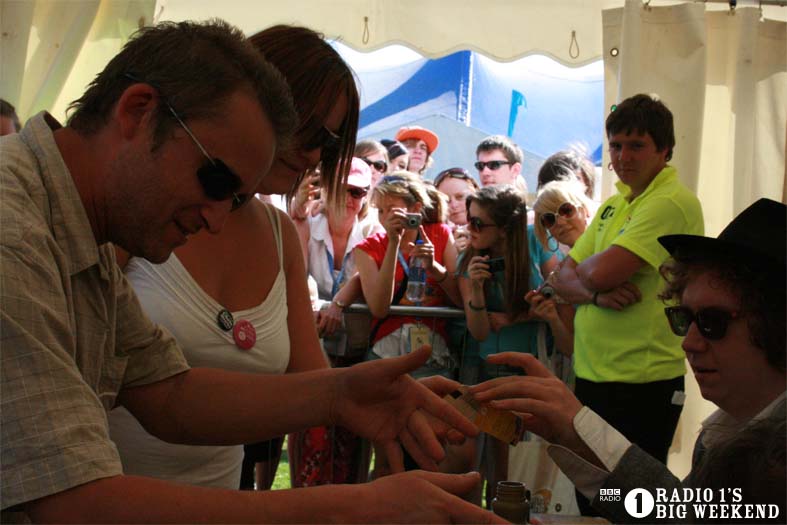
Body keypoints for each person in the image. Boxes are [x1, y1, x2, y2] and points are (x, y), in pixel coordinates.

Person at [0, 20, 501, 524]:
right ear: (138, 111)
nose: (217, 218)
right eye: (216, 179)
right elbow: (74, 504)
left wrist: (341, 394)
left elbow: (168, 394)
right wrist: (354, 507)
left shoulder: (80, 227)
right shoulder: (15, 234)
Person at [471, 198, 786, 524]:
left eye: (712, 322)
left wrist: (580, 430)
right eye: (684, 318)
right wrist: (574, 435)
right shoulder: (728, 429)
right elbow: (677, 510)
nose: (689, 342)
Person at [552, 93, 704, 514]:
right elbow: (563, 277)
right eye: (616, 145)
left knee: (632, 508)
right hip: (595, 377)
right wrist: (596, 295)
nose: (623, 156)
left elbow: (593, 271)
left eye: (636, 145)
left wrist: (589, 280)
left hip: (643, 383)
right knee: (593, 501)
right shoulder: (613, 205)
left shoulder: (669, 202)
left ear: (665, 150)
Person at [456, 185, 569, 503]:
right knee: (497, 469)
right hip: (492, 374)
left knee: (529, 465)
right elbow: (478, 331)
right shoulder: (471, 259)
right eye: (469, 220)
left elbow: (562, 290)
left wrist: (516, 316)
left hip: (535, 371)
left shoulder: (535, 242)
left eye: (478, 223)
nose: (470, 229)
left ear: (505, 229)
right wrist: (477, 291)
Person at [355, 171, 462, 378]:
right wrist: (393, 244)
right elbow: (379, 308)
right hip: (386, 351)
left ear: (416, 209)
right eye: (380, 211)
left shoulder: (440, 234)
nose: (386, 218)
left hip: (433, 354)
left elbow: (459, 299)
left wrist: (433, 267)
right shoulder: (368, 248)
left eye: (392, 210)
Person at [532, 179, 595, 255]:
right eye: (549, 219)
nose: (560, 222)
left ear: (585, 209)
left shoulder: (607, 249)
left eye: (566, 210)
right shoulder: (568, 263)